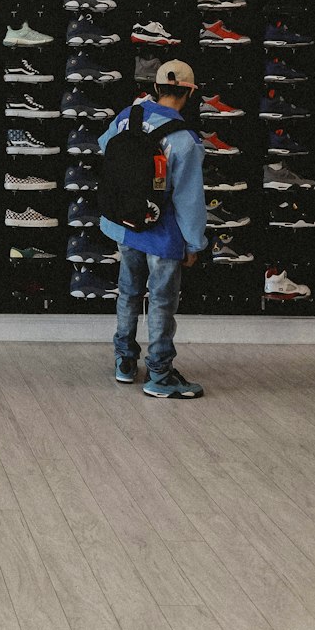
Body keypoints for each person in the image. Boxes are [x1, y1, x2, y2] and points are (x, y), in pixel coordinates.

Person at [98, 59, 208, 399]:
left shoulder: (125, 117)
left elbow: (105, 147)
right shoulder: (186, 140)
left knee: (128, 291)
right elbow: (190, 198)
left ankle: (124, 361)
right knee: (161, 301)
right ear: (189, 92)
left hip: (126, 223)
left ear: (157, 88)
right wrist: (195, 243)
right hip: (164, 232)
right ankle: (159, 373)